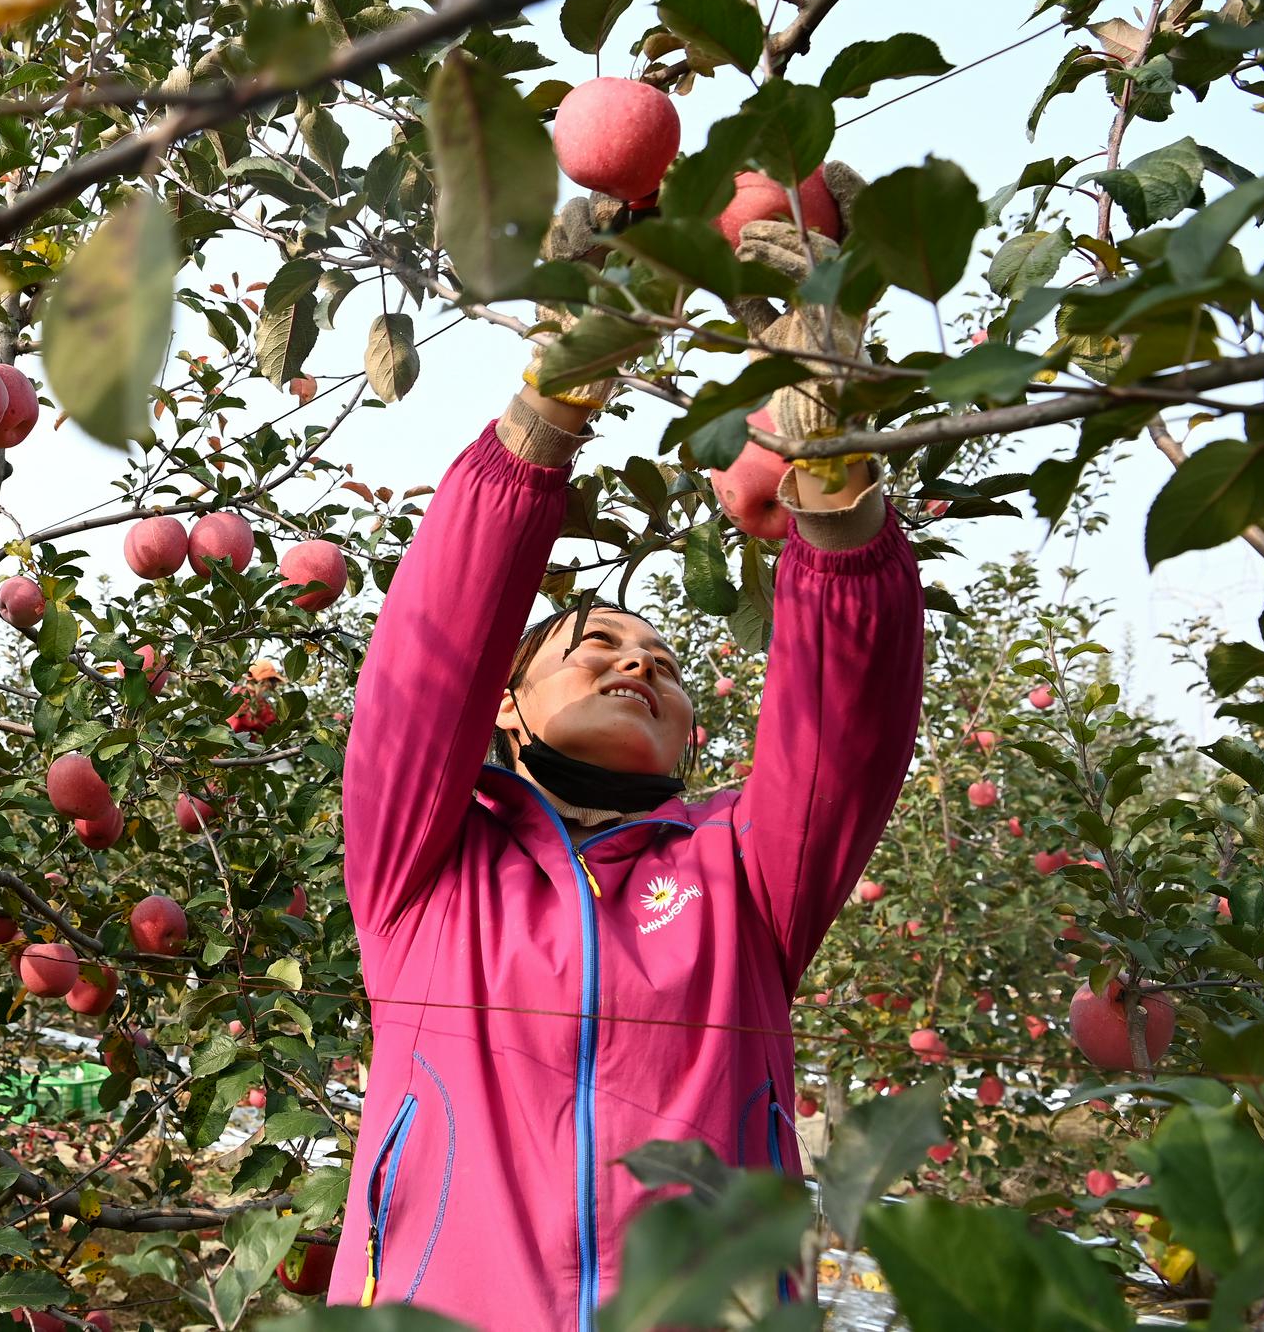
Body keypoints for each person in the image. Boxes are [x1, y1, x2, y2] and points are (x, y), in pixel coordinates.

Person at [330, 186, 925, 1331]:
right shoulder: (425, 875)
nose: (633, 664)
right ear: (504, 709)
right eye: (592, 644)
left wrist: (835, 484)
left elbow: (845, 727)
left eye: (659, 660)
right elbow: (428, 657)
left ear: (694, 736)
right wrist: (547, 407)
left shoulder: (740, 881)